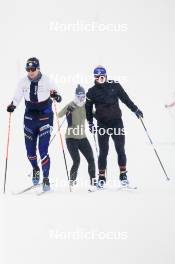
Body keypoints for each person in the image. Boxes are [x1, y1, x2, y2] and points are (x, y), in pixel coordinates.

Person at [7, 57, 62, 191]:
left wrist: (56, 96)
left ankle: (46, 179)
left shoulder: (47, 80)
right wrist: (12, 106)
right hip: (30, 118)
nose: (30, 72)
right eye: (28, 69)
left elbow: (58, 96)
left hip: (45, 117)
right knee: (30, 153)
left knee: (43, 150)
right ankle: (35, 168)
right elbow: (17, 97)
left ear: (38, 69)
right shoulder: (23, 82)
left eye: (33, 69)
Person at [85, 65, 143, 188]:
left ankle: (123, 175)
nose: (100, 78)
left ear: (106, 76)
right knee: (103, 151)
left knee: (120, 149)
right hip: (102, 124)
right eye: (97, 77)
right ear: (94, 77)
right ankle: (101, 178)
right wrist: (90, 122)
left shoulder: (115, 86)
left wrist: (135, 109)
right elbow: (88, 109)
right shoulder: (91, 92)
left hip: (117, 122)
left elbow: (125, 99)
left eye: (102, 76)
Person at [58, 85, 96, 191]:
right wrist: (67, 111)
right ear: (76, 96)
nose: (81, 98)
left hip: (82, 138)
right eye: (79, 96)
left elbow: (95, 115)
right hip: (71, 138)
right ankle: (72, 181)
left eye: (83, 96)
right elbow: (58, 115)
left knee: (91, 159)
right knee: (77, 160)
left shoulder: (85, 106)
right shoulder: (71, 105)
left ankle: (94, 182)